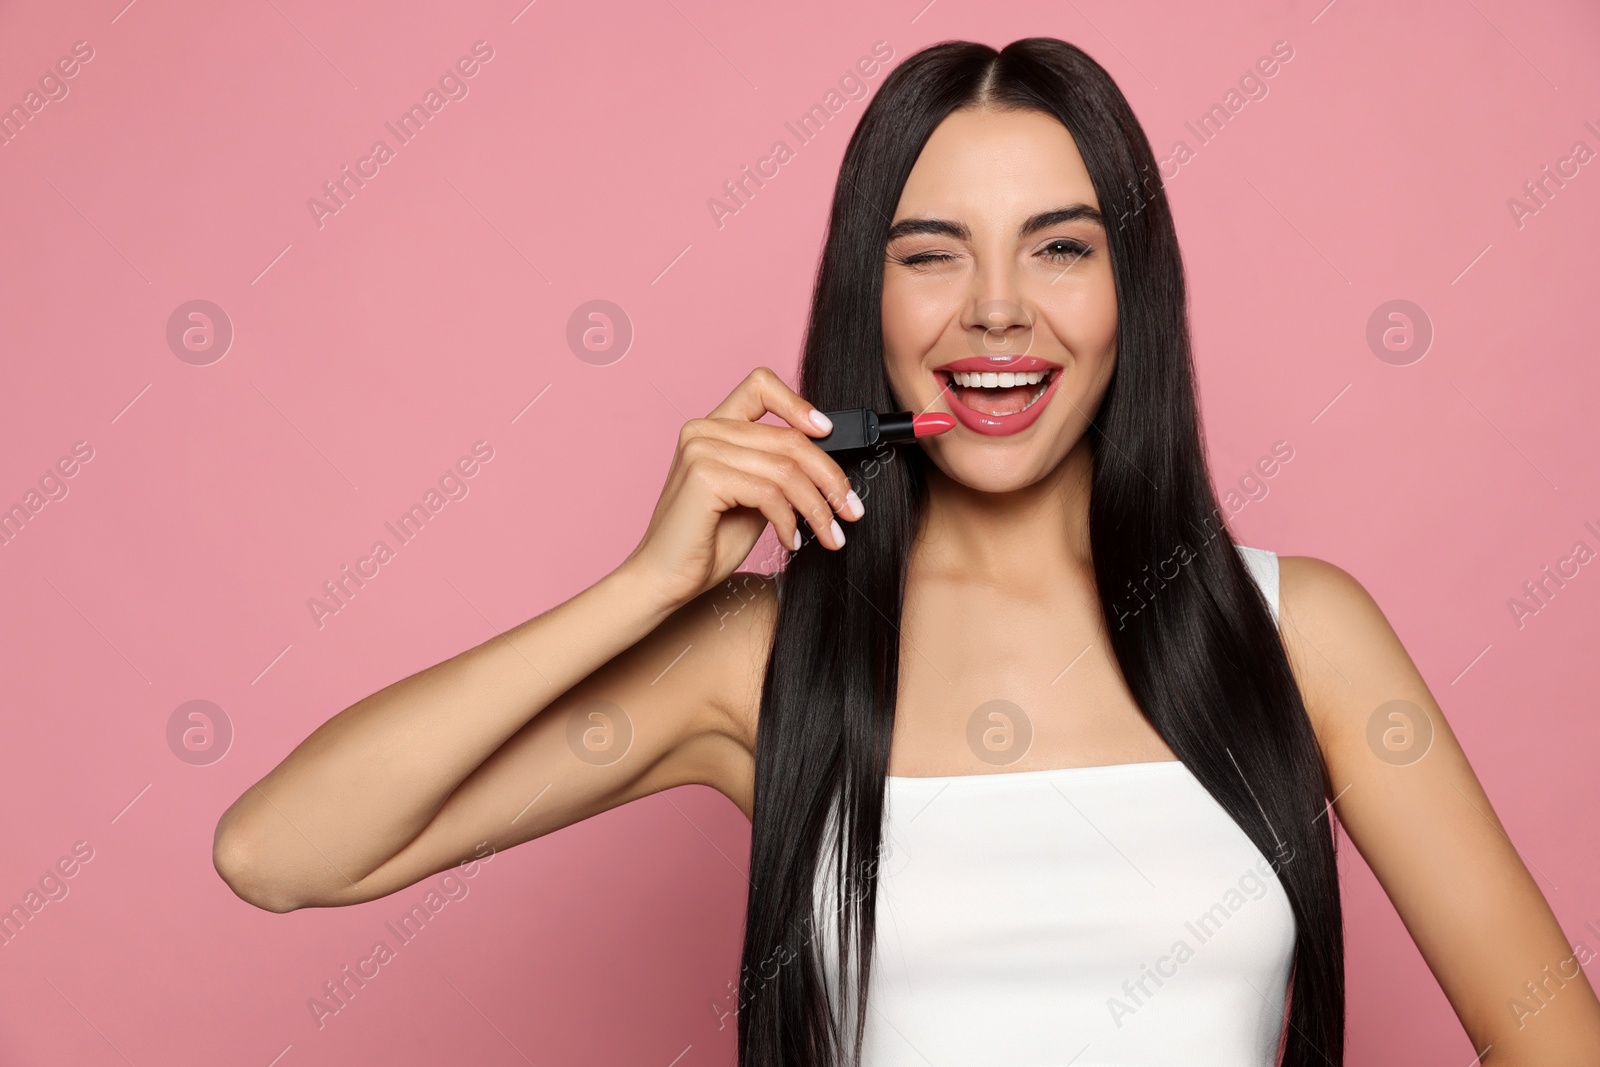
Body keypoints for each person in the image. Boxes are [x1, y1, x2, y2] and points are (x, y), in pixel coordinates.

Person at [212, 37, 1600, 1067]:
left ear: (1134, 296)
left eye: (1059, 250)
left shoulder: (1302, 636)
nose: (997, 311)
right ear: (865, 302)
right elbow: (280, 852)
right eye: (931, 255)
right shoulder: (757, 658)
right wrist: (649, 588)